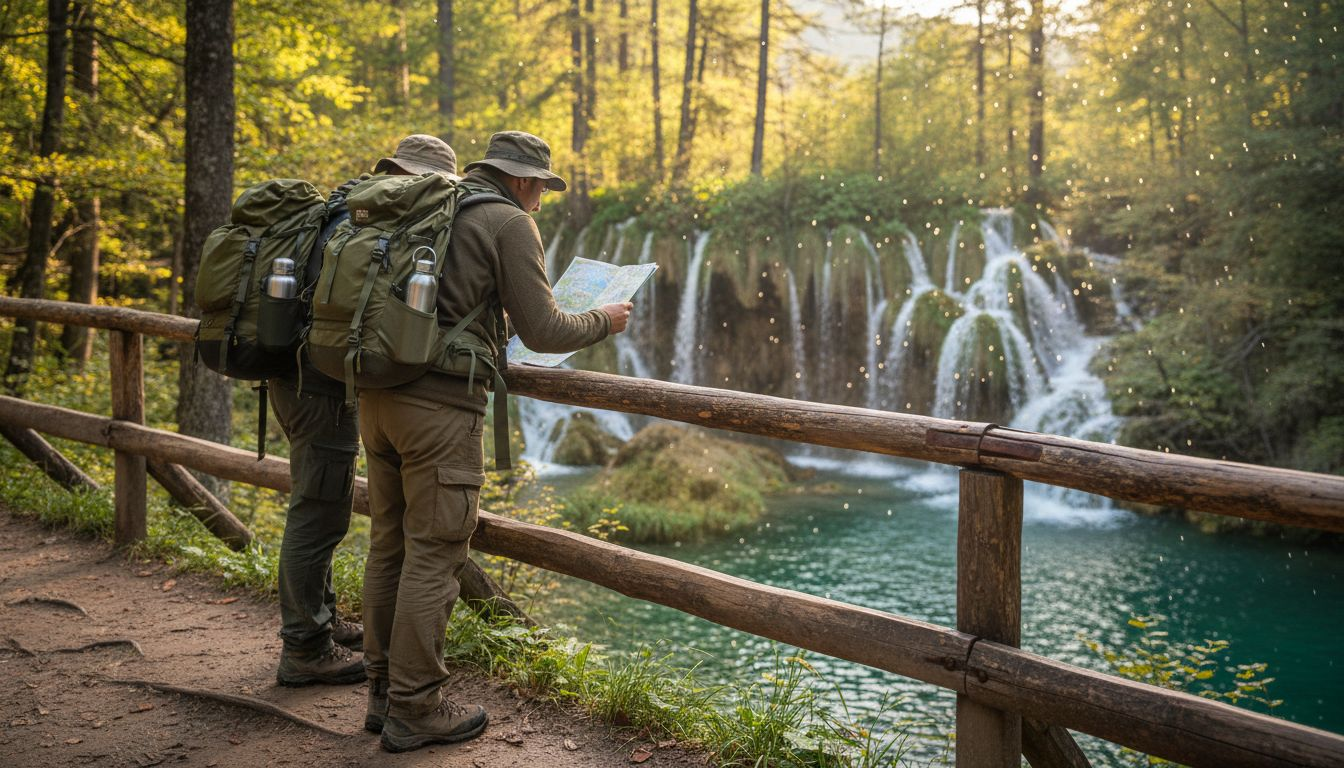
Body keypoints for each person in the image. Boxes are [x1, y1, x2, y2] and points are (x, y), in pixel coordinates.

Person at [360, 131, 633, 752]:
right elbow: (541, 329)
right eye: (540, 189)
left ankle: (381, 695)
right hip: (438, 407)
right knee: (434, 553)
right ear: (525, 180)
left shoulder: (433, 208)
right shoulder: (507, 222)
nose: (539, 202)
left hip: (376, 394)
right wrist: (605, 320)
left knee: (389, 542)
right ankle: (414, 709)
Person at [272, 135, 461, 687]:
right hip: (322, 384)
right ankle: (305, 647)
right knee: (318, 509)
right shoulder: (369, 221)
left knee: (320, 501)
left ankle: (321, 623)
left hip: (298, 373)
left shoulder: (344, 207)